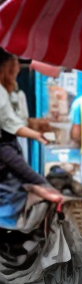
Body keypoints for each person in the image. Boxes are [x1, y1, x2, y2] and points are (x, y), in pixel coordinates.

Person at [0, 49, 61, 221]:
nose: (18, 69)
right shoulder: (2, 93)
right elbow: (11, 123)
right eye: (15, 67)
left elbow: (15, 122)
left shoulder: (10, 92)